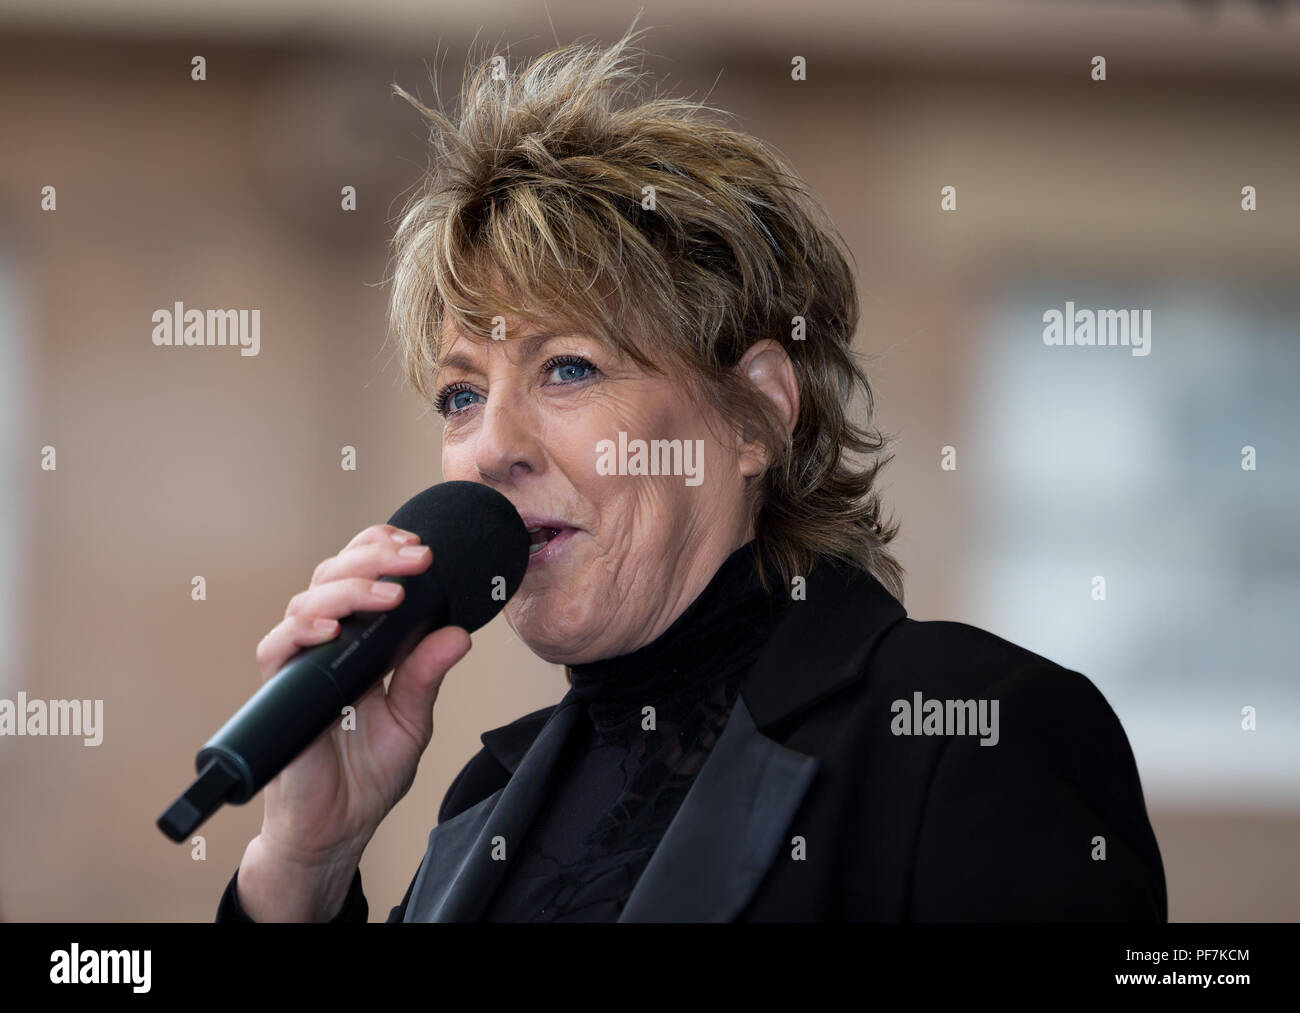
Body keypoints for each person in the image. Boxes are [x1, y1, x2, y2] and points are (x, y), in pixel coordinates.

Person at [215, 26, 1165, 923]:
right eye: (461, 395)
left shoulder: (970, 731)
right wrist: (306, 868)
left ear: (755, 412)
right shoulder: (486, 803)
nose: (490, 446)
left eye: (569, 369)